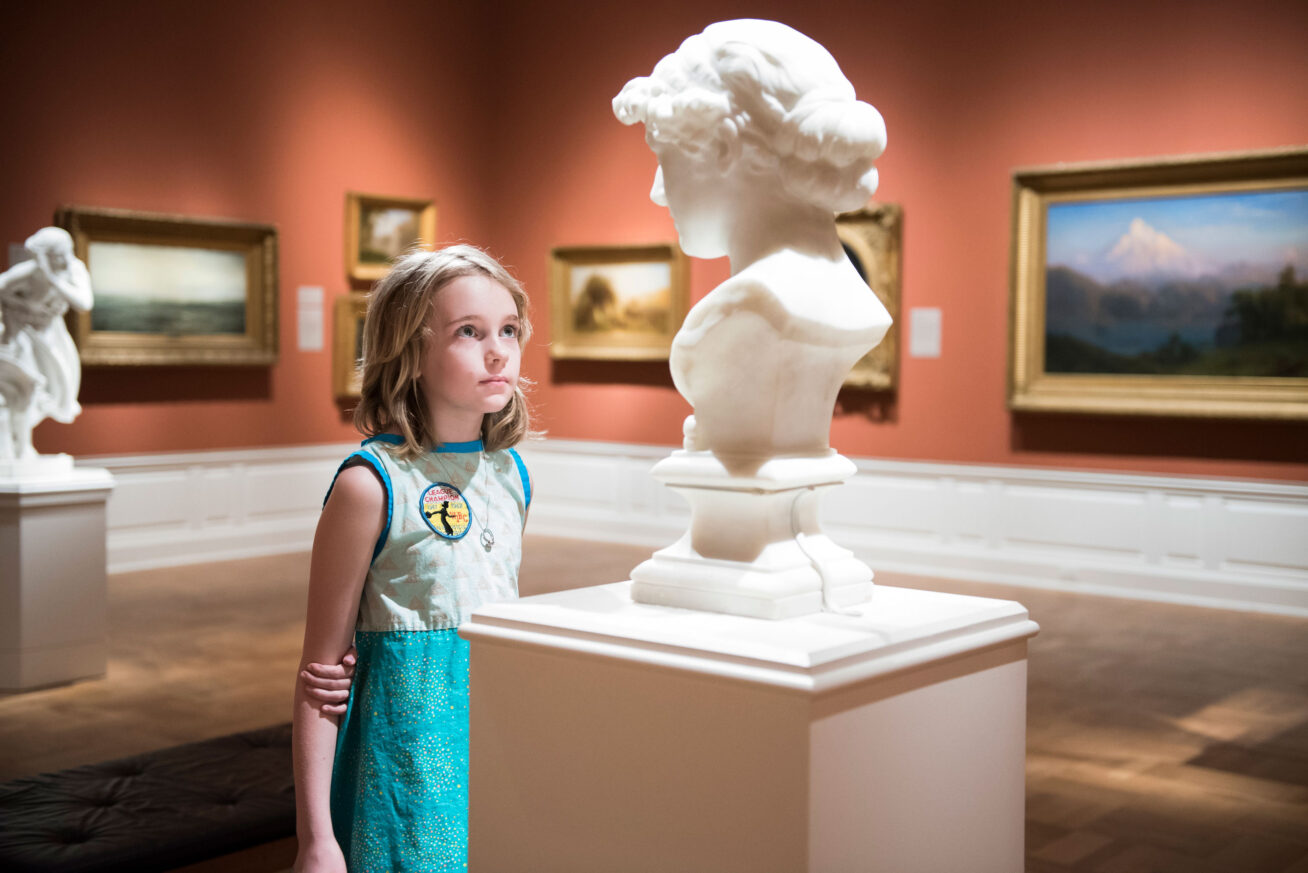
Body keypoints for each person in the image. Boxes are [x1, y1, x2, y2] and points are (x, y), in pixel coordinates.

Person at [292, 245, 534, 873]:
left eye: (509, 330)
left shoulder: (510, 476)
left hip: (494, 755)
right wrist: (316, 840)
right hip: (401, 779)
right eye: (469, 332)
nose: (498, 350)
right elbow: (321, 676)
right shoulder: (370, 485)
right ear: (410, 350)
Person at [612, 19, 892, 460]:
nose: (657, 190)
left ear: (724, 146)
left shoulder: (746, 313)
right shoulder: (846, 299)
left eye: (664, 157)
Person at [0, 226, 93, 461]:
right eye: (57, 254)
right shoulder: (29, 273)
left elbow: (83, 302)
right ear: (44, 256)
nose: (64, 258)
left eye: (66, 252)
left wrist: (52, 278)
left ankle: (18, 447)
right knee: (25, 389)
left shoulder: (73, 270)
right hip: (22, 336)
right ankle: (18, 449)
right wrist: (22, 306)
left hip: (52, 338)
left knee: (57, 388)